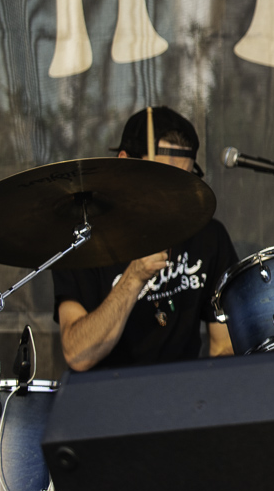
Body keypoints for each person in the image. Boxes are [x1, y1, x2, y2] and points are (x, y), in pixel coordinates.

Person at [51, 106, 237, 371]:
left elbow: (224, 345)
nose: (171, 192)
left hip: (183, 399)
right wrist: (134, 277)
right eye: (161, 177)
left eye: (182, 180)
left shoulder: (208, 236)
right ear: (125, 163)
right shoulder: (82, 242)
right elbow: (77, 355)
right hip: (107, 401)